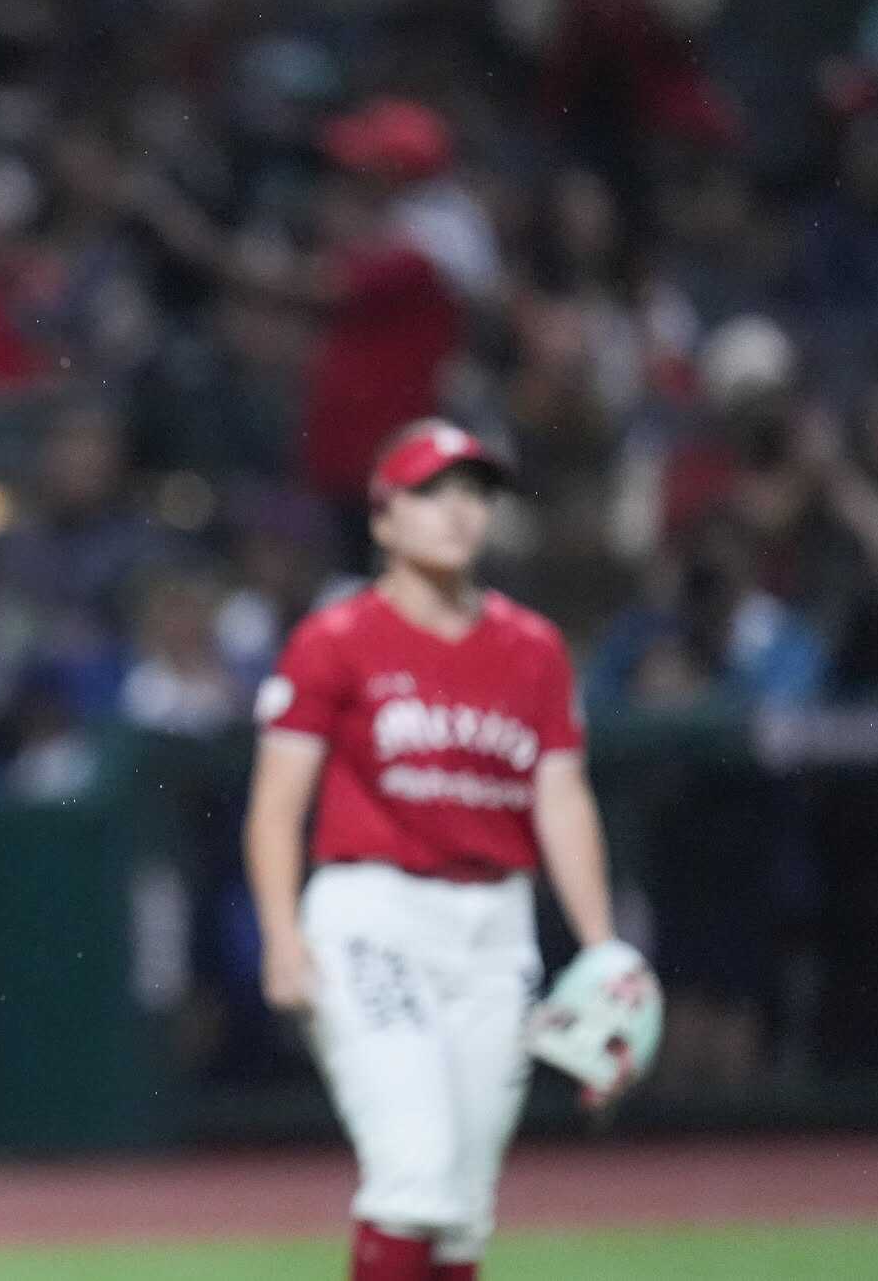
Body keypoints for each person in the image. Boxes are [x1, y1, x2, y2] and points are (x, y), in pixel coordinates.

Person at [241, 420, 640, 1281]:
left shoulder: (532, 647)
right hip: (373, 914)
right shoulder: (336, 637)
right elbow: (276, 806)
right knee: (415, 1168)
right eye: (431, 492)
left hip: (496, 925)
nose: (458, 511)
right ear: (383, 518)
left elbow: (562, 796)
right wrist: (280, 934)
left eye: (475, 494)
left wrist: (601, 942)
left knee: (463, 1208)